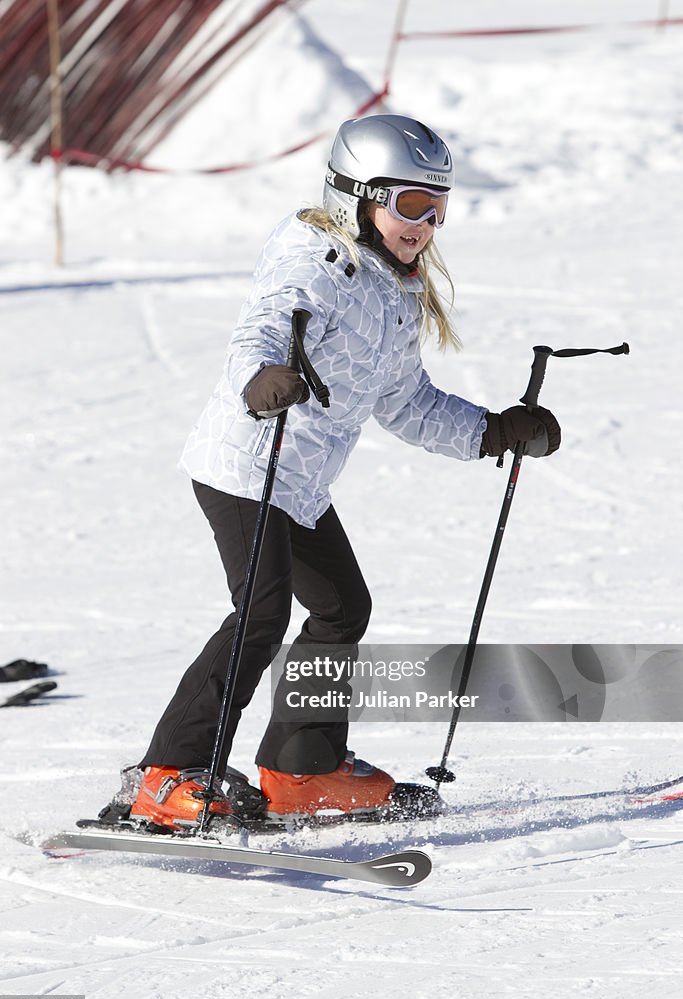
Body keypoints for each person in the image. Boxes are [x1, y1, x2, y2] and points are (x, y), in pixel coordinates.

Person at [107, 114, 560, 831]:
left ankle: (301, 771)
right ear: (354, 196)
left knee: (342, 608)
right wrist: (261, 375)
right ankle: (165, 776)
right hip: (246, 463)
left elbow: (405, 402)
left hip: (300, 481)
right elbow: (261, 325)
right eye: (410, 204)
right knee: (261, 612)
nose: (426, 223)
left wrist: (492, 432)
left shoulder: (395, 291)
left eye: (438, 206)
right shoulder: (313, 265)